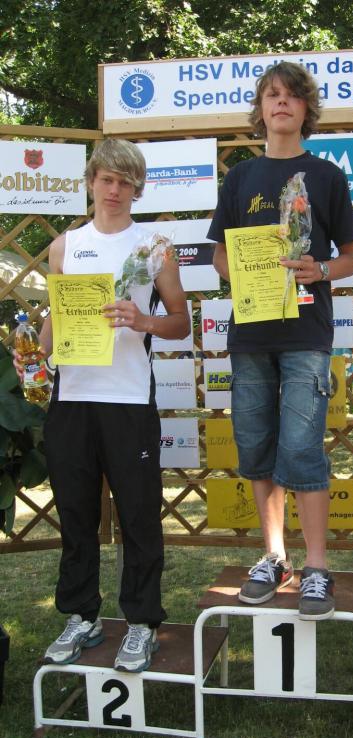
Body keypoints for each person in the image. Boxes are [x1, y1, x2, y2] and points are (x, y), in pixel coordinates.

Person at [14, 139, 190, 671]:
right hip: (72, 397)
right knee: (75, 514)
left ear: (138, 189)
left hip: (128, 399)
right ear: (91, 182)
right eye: (106, 179)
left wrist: (143, 321)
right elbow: (55, 315)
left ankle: (141, 621)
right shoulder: (65, 246)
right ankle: (80, 615)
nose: (114, 190)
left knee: (139, 516)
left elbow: (181, 322)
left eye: (125, 182)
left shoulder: (155, 246)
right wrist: (34, 356)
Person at [208, 62, 353, 620]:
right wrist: (246, 276)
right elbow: (218, 254)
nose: (281, 103)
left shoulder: (326, 176)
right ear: (261, 108)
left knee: (301, 449)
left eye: (292, 96)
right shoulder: (239, 177)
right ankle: (274, 556)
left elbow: (351, 256)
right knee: (255, 447)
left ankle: (316, 567)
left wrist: (321, 270)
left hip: (306, 335)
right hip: (250, 333)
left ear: (305, 109)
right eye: (272, 95)